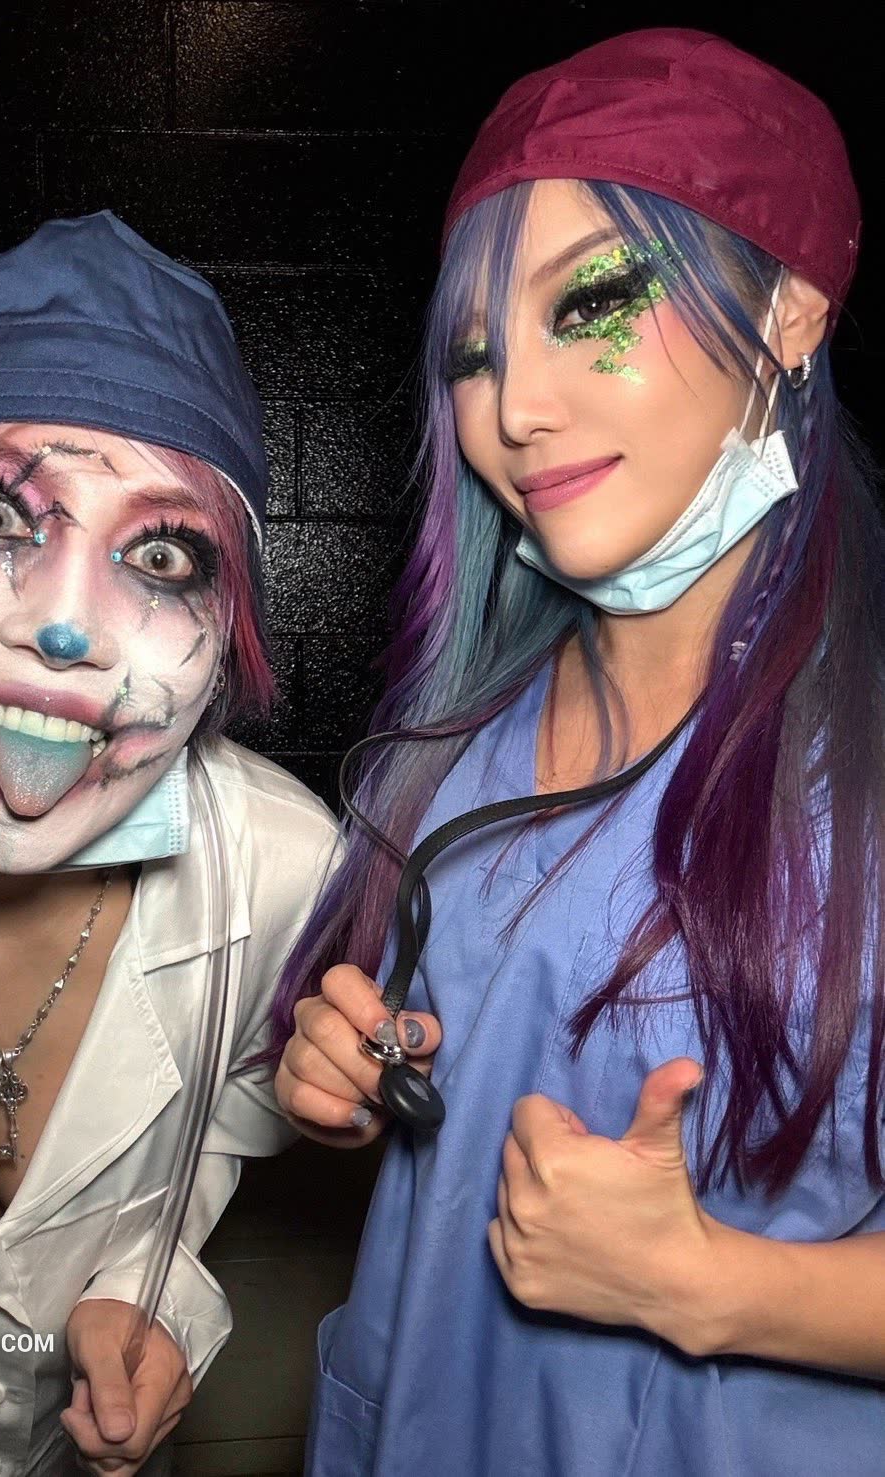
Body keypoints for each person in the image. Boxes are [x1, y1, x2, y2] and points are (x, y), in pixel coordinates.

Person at [271, 28, 885, 1476]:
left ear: (792, 311)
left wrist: (714, 1286)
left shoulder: (857, 786)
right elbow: (457, 1097)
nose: (514, 409)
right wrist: (353, 1079)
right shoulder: (448, 749)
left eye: (591, 302)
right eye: (475, 352)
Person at [0, 212, 339, 1476]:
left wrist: (149, 1293)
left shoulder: (281, 868)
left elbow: (221, 1135)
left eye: (160, 553)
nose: (66, 628)